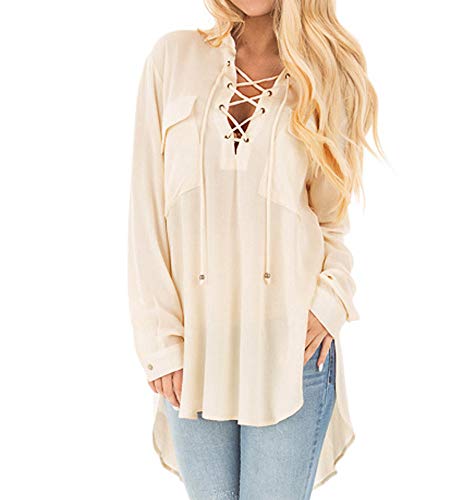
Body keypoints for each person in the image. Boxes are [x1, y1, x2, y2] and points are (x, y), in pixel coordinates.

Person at [128, 1, 382, 498]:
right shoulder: (171, 60)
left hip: (291, 349)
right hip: (194, 352)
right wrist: (160, 344)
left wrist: (329, 301)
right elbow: (146, 213)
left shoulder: (328, 73)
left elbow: (331, 221)